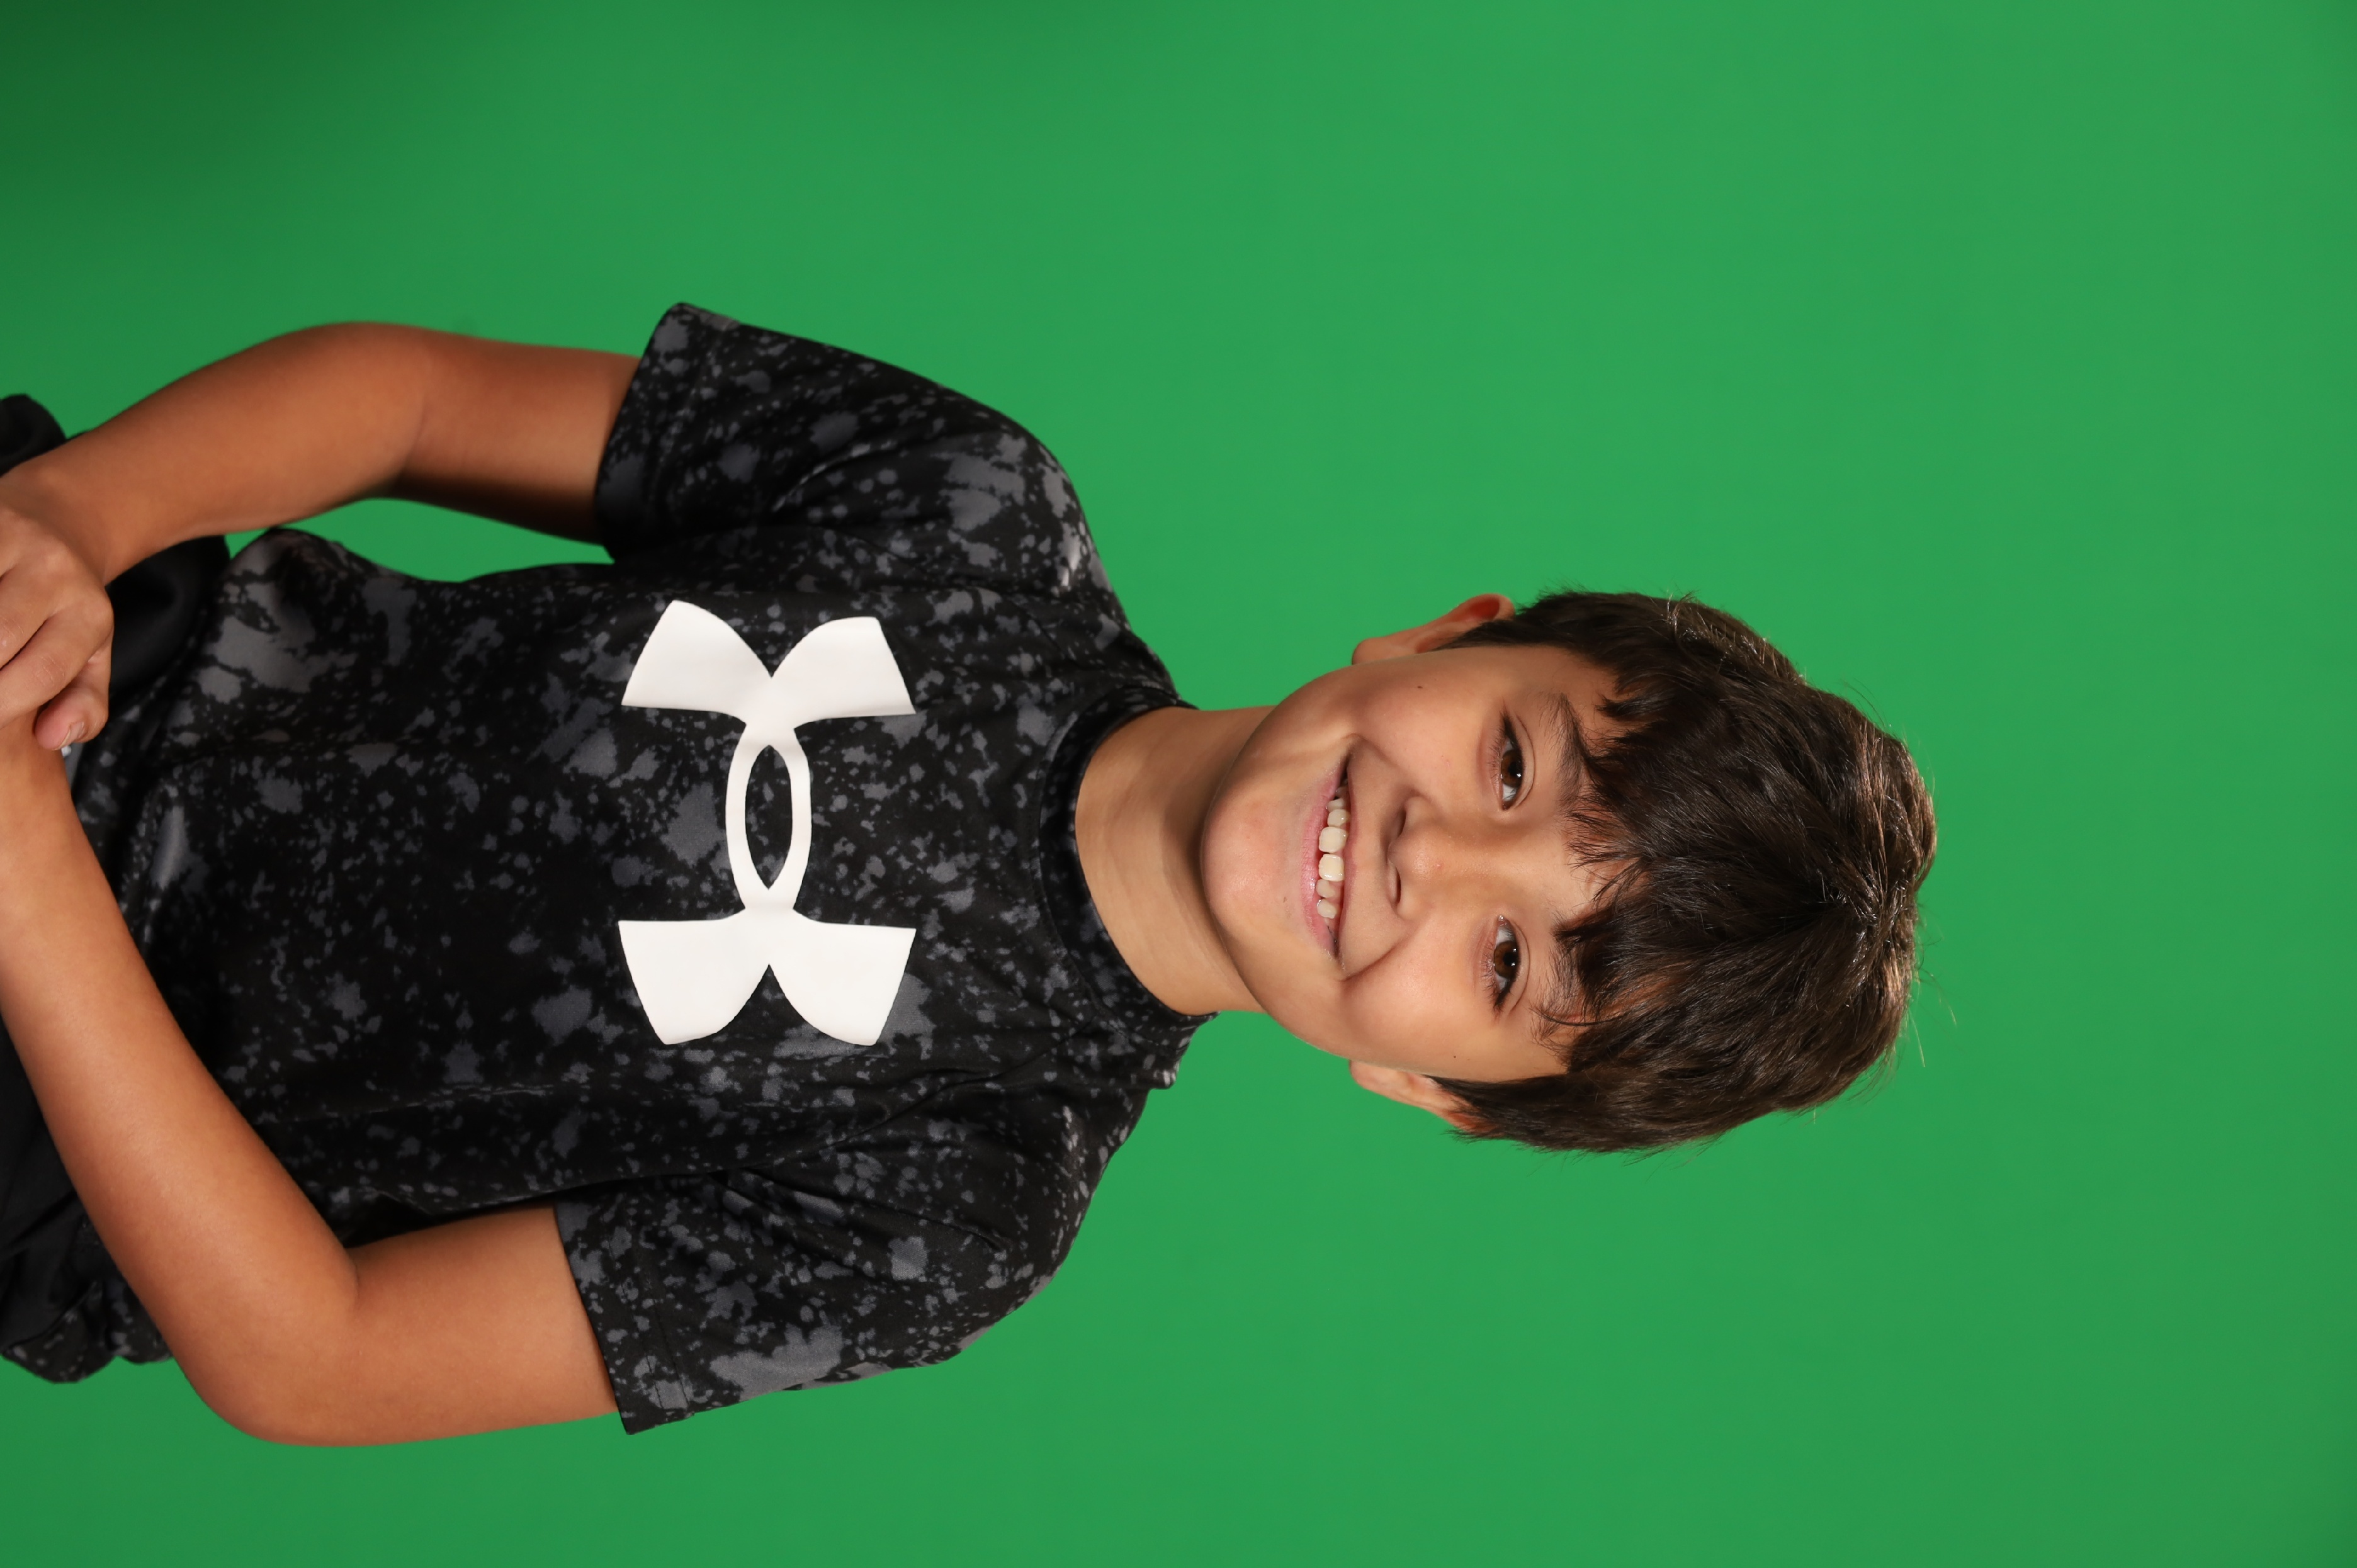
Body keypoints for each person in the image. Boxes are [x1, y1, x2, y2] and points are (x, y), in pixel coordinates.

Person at [0, 305, 1934, 1444]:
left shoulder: (962, 1202)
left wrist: (29, 894)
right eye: (1513, 759)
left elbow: (319, 1353)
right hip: (82, 647)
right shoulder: (971, 505)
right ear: (1445, 633)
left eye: (1511, 967)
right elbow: (417, 397)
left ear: (1436, 1087)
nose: (1439, 854)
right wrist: (73, 521)